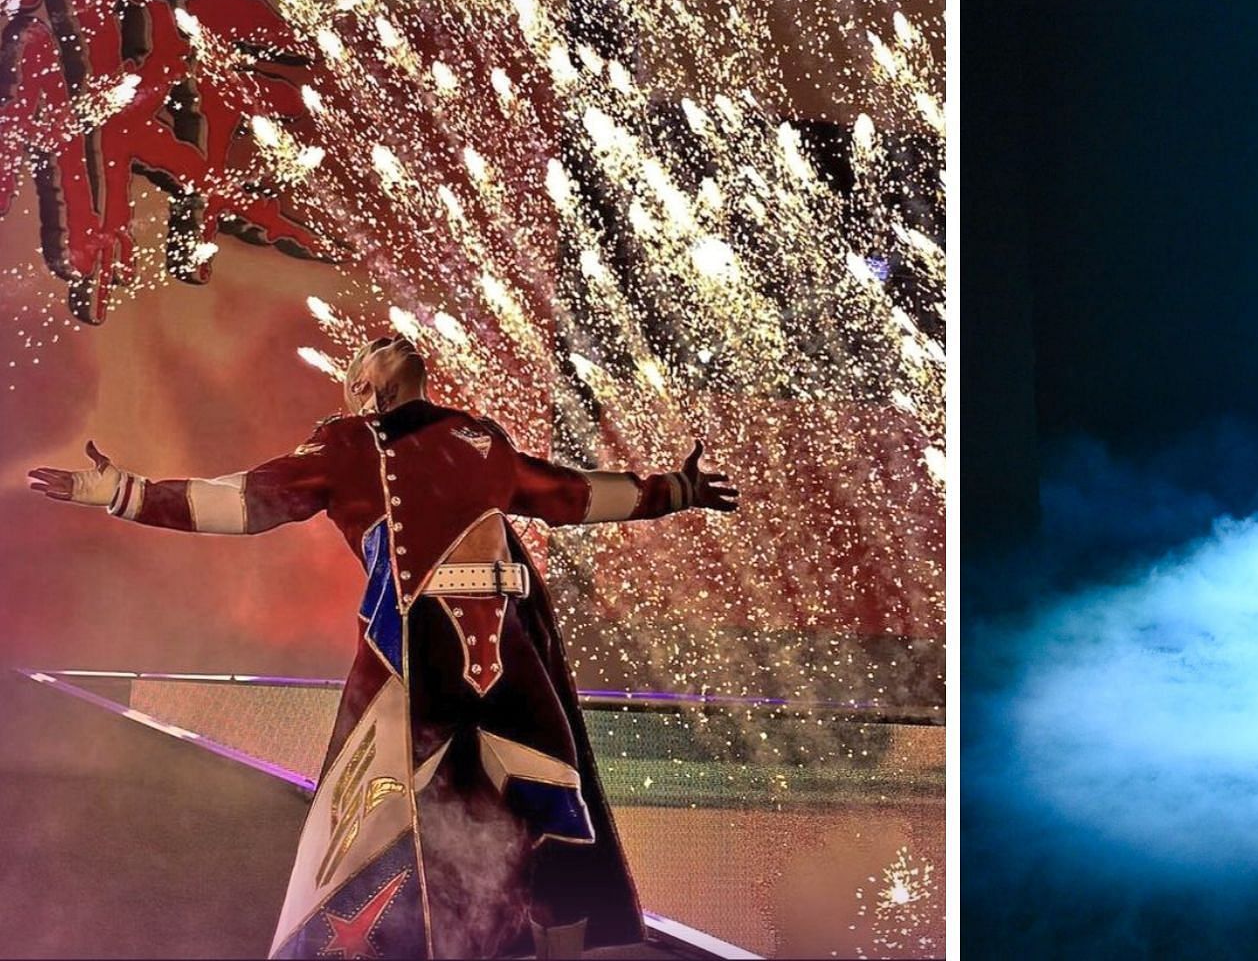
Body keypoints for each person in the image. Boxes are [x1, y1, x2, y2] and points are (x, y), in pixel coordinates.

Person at [27, 333, 738, 959]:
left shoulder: (479, 437)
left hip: (507, 648)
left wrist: (674, 488)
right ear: (360, 384)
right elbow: (241, 502)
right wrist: (122, 492)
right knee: (381, 818)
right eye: (371, 346)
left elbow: (571, 495)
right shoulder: (342, 444)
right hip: (408, 655)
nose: (389, 337)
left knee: (554, 804)